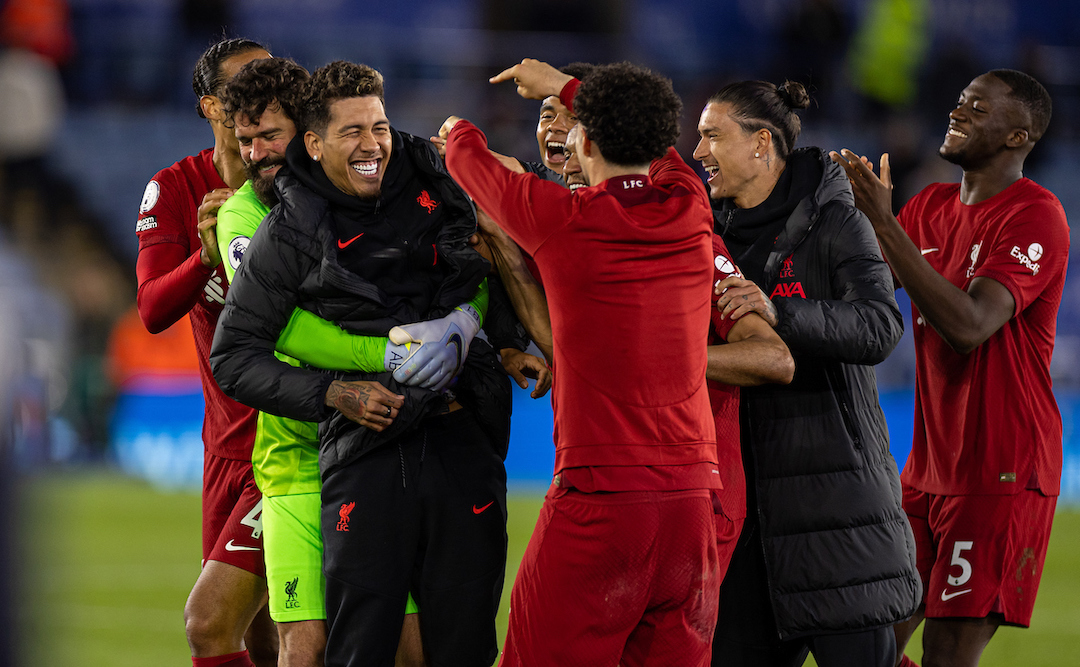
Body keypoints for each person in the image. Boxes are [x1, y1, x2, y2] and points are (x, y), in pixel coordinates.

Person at [210, 60, 509, 667]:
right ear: (315, 145)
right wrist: (336, 392)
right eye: (353, 132)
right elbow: (235, 354)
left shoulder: (431, 177)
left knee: (466, 643)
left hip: (460, 442)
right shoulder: (283, 229)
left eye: (380, 126)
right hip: (358, 451)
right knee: (355, 647)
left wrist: (469, 327)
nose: (373, 143)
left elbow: (482, 261)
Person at [444, 59, 722, 666]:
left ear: (585, 140)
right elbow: (661, 151)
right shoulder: (688, 204)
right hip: (693, 509)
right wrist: (565, 87)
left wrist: (458, 125)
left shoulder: (560, 218)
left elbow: (465, 158)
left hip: (603, 503)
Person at [832, 69, 1068, 667]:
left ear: (1018, 136)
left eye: (978, 108)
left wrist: (884, 223)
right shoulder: (930, 206)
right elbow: (860, 293)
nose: (958, 112)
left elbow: (968, 326)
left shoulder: (1034, 215)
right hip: (926, 469)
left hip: (1000, 470)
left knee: (944, 655)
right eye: (959, 101)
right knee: (865, 643)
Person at [693, 79, 921, 667]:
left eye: (711, 136)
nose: (698, 152)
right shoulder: (702, 232)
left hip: (835, 510)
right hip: (741, 518)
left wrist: (778, 310)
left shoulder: (836, 223)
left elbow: (879, 326)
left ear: (761, 143)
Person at [134, 37, 276, 667]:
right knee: (262, 639)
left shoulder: (300, 184)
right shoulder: (174, 189)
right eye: (248, 82)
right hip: (225, 448)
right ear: (211, 106)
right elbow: (154, 309)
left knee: (209, 624)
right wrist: (205, 257)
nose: (266, 89)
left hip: (289, 441)